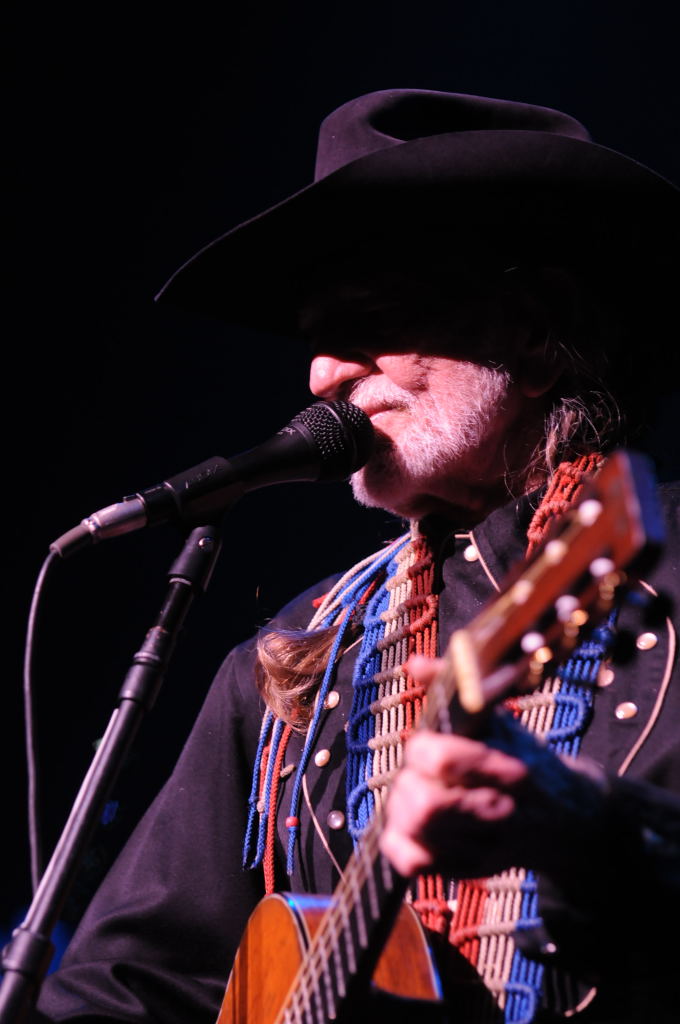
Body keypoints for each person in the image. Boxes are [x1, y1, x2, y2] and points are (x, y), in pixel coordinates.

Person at [32, 90, 680, 1024]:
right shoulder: (294, 657)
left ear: (536, 337)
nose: (323, 374)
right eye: (317, 339)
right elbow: (122, 992)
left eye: (374, 318)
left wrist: (603, 840)